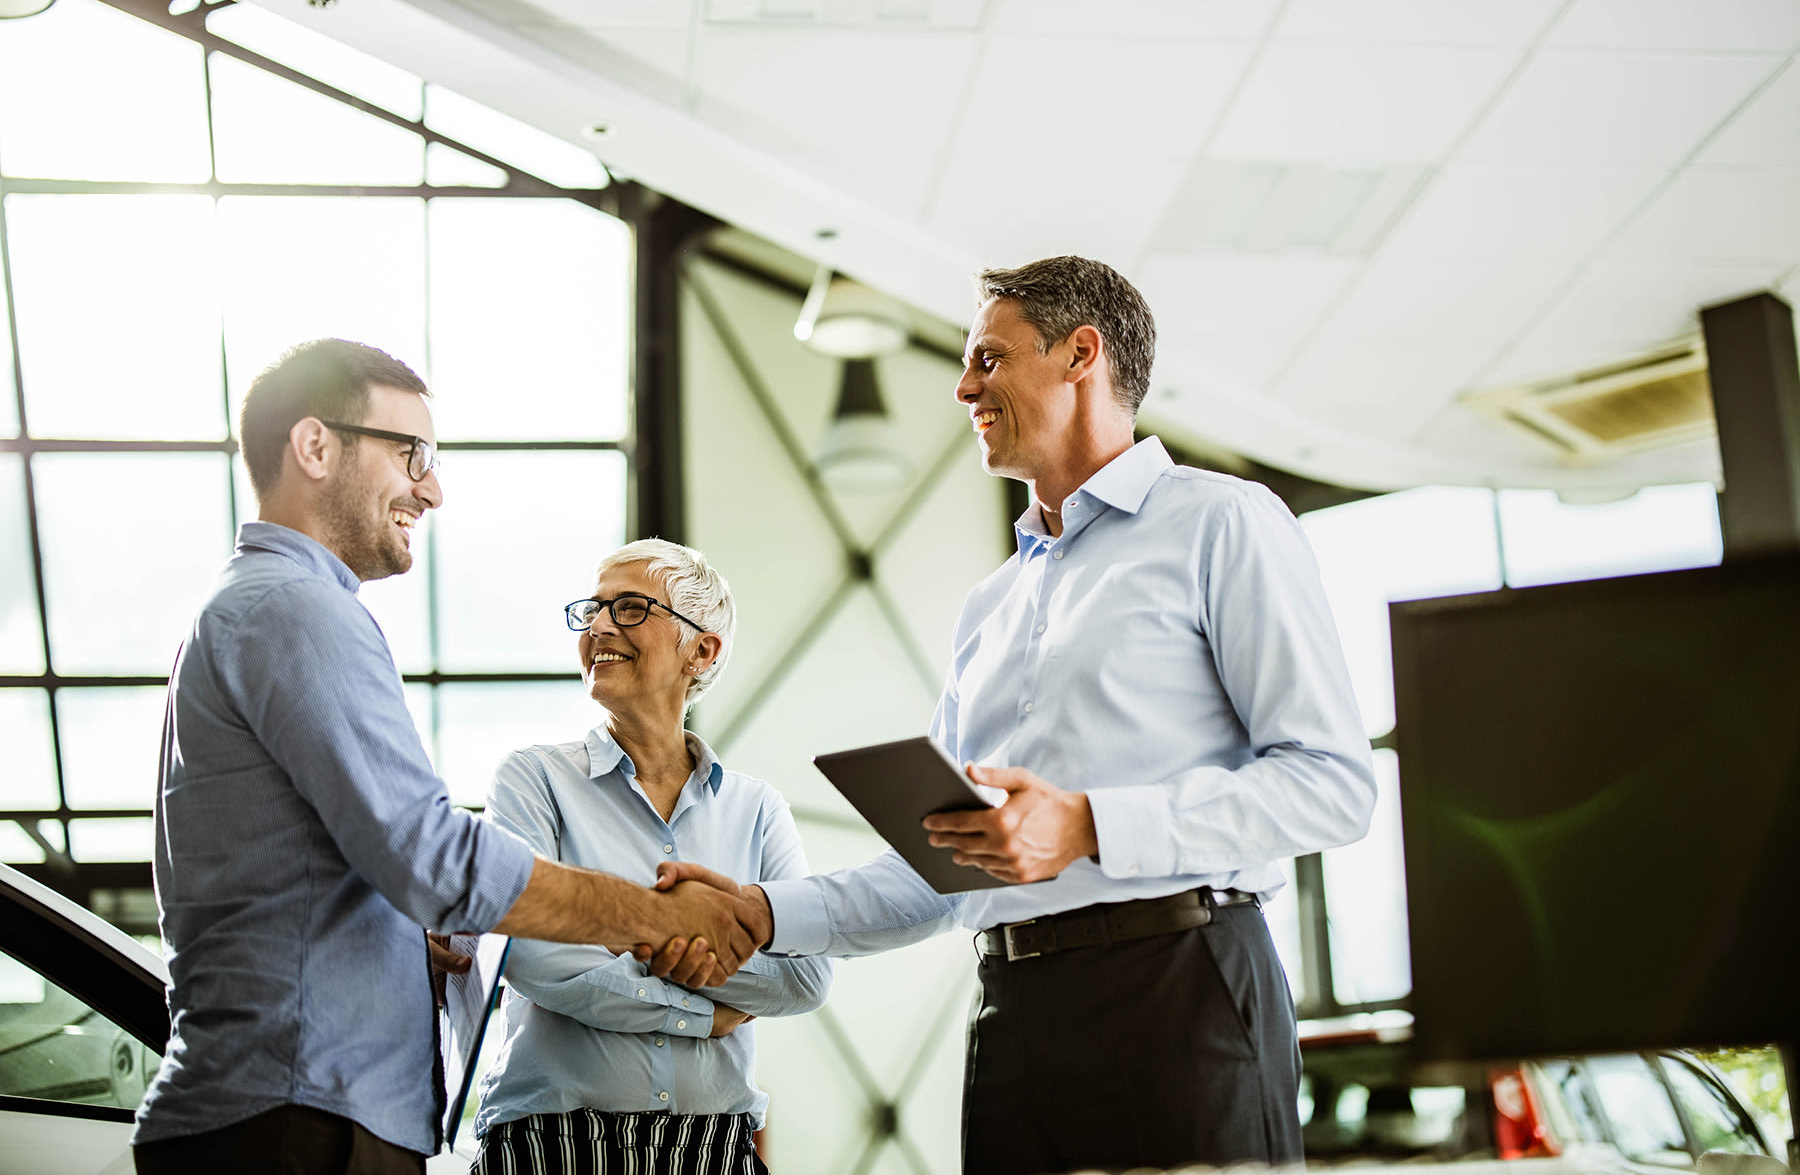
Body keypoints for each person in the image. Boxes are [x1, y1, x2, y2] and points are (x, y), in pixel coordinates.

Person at [655, 256, 1377, 1175]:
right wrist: (764, 913)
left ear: (1082, 354)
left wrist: (1084, 826)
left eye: (988, 360)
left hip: (1184, 990)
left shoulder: (1222, 524)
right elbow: (938, 872)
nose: (963, 387)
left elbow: (1333, 786)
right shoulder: (989, 607)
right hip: (1013, 1010)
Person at [134, 339, 759, 1175]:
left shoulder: (257, 608)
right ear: (316, 447)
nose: (431, 488)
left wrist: (397, 942)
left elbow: (325, 864)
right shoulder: (297, 607)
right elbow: (430, 854)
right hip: (296, 1121)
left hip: (293, 1110)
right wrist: (658, 917)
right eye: (411, 453)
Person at [470, 539, 832, 1174]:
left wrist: (623, 946)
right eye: (594, 610)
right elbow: (527, 951)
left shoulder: (756, 808)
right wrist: (707, 1008)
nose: (601, 626)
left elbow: (805, 976)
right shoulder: (533, 780)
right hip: (552, 1146)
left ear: (702, 649)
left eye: (631, 608)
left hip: (716, 1147)